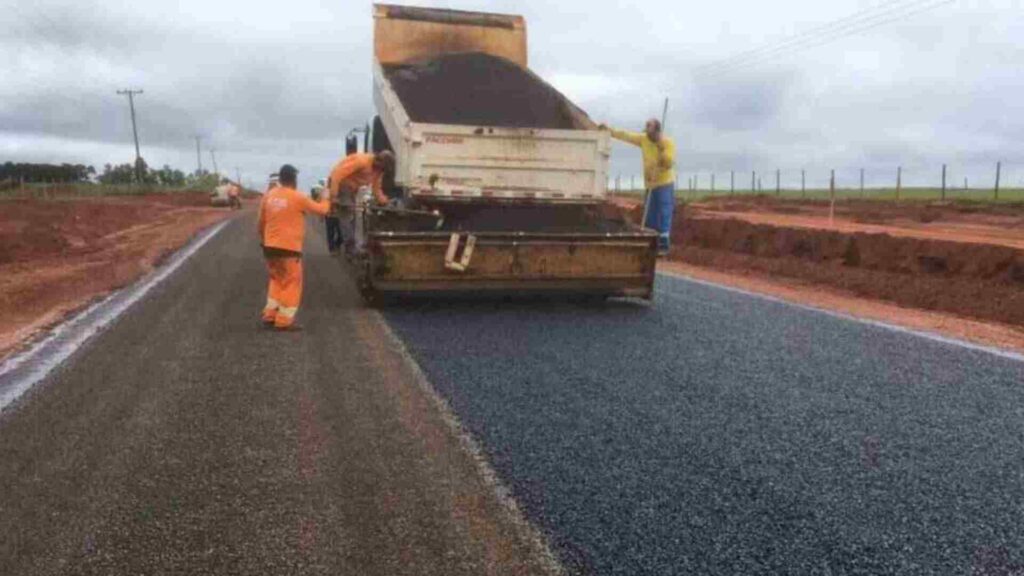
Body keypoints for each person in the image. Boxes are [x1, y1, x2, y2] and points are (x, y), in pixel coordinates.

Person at [257, 164, 331, 331]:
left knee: (276, 279)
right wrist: (325, 196)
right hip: (289, 249)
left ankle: (270, 315)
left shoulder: (268, 196)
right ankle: (283, 321)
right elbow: (323, 210)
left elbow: (260, 222)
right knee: (292, 282)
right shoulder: (298, 197)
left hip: (269, 247)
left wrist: (264, 240)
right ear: (294, 180)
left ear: (281, 179)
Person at [600, 119, 676, 255]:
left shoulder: (667, 143)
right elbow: (626, 135)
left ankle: (663, 245)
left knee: (663, 213)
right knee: (650, 215)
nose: (646, 132)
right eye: (646, 129)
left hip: (664, 184)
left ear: (657, 130)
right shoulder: (644, 139)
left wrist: (662, 152)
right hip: (650, 184)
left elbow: (669, 163)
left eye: (649, 128)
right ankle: (651, 244)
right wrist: (609, 130)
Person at [326, 151, 396, 253]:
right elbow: (337, 174)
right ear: (378, 160)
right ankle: (350, 245)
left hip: (352, 189)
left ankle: (350, 243)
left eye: (383, 169)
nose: (381, 171)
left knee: (353, 217)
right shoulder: (361, 161)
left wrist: (384, 202)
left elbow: (376, 188)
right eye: (381, 168)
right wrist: (334, 196)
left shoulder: (379, 170)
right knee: (347, 215)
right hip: (341, 184)